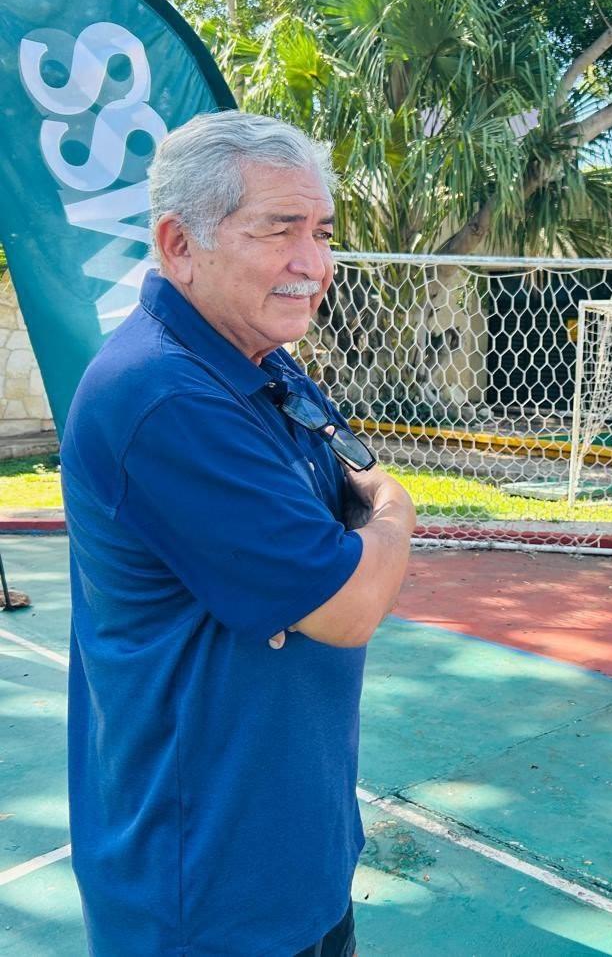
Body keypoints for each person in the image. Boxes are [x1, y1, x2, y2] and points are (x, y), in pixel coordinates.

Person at [60, 111, 418, 956]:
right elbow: (347, 601)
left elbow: (342, 509)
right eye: (279, 229)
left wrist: (361, 531)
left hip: (298, 856)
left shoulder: (261, 356)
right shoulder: (165, 395)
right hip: (209, 895)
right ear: (179, 244)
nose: (314, 263)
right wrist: (397, 509)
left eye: (322, 232)